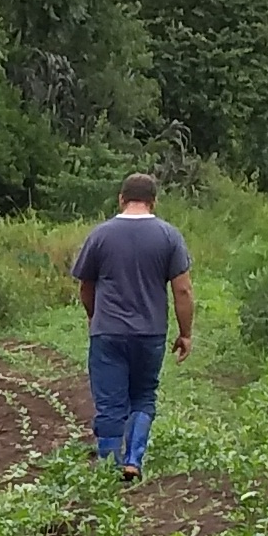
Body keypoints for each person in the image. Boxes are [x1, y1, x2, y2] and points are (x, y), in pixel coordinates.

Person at [70, 173, 194, 481]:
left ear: (121, 199)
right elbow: (183, 291)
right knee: (143, 396)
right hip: (150, 333)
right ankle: (133, 460)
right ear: (154, 202)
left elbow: (86, 286)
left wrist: (94, 316)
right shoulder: (169, 236)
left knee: (110, 401)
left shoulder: (100, 235)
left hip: (108, 332)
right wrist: (185, 333)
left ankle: (108, 466)